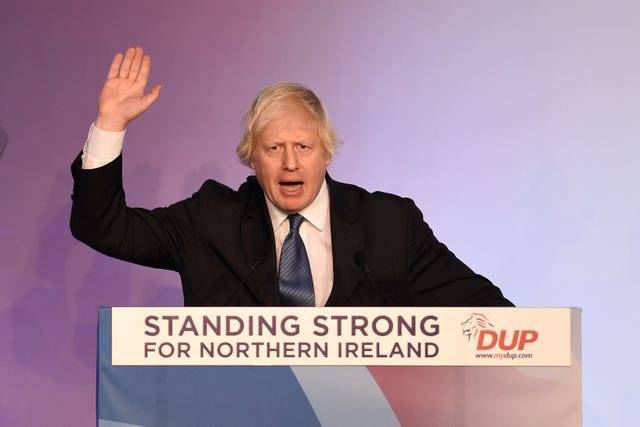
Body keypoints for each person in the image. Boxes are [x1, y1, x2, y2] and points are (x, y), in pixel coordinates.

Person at [70, 47, 513, 307]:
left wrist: (536, 353)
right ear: (252, 159)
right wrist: (110, 124)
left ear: (326, 153)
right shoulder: (210, 222)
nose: (290, 164)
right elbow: (103, 227)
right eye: (274, 148)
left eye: (304, 147)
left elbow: (483, 309)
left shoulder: (389, 225)